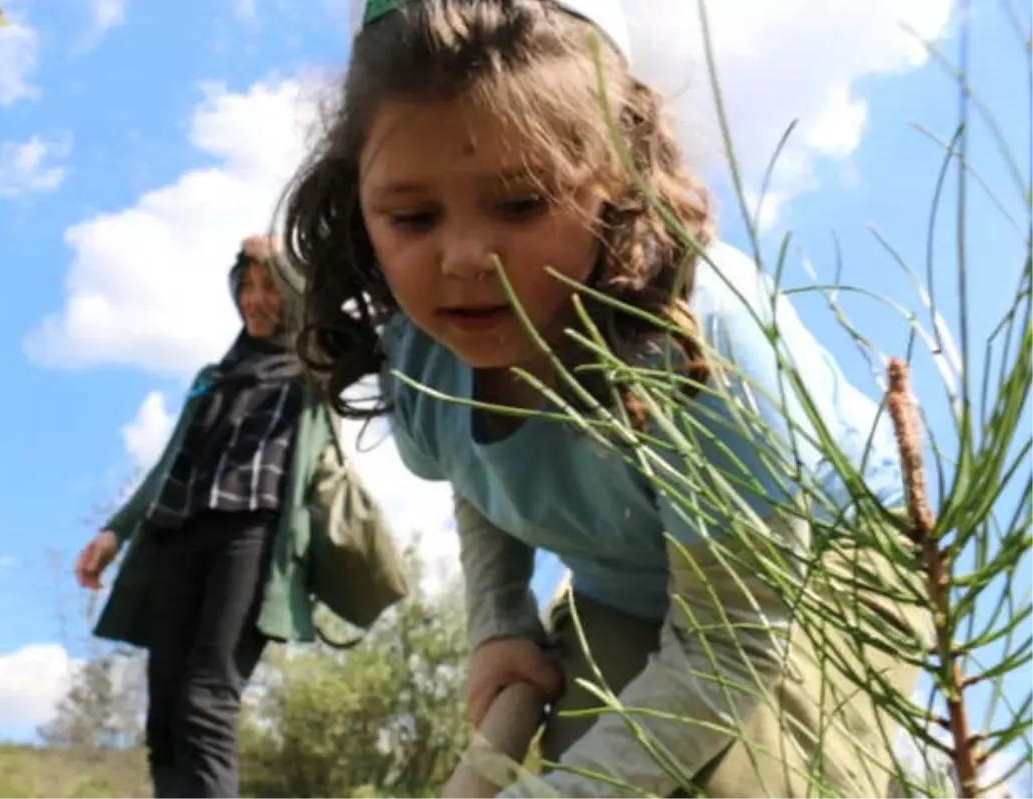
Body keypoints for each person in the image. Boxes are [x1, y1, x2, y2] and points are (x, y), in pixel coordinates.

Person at [282, 0, 934, 796]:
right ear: (357, 207)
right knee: (596, 744)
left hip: (816, 569)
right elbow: (478, 479)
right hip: (629, 577)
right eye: (413, 216)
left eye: (521, 203)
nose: (463, 256)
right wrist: (499, 623)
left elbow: (732, 645)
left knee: (748, 782)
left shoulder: (696, 345)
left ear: (620, 178)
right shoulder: (420, 357)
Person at [73, 235, 331, 798]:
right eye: (247, 286)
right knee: (164, 715)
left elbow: (349, 318)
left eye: (271, 289)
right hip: (177, 533)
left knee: (206, 701)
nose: (256, 300)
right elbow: (167, 465)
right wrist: (116, 529)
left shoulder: (313, 372)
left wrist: (278, 249)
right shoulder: (211, 379)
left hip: (251, 535)